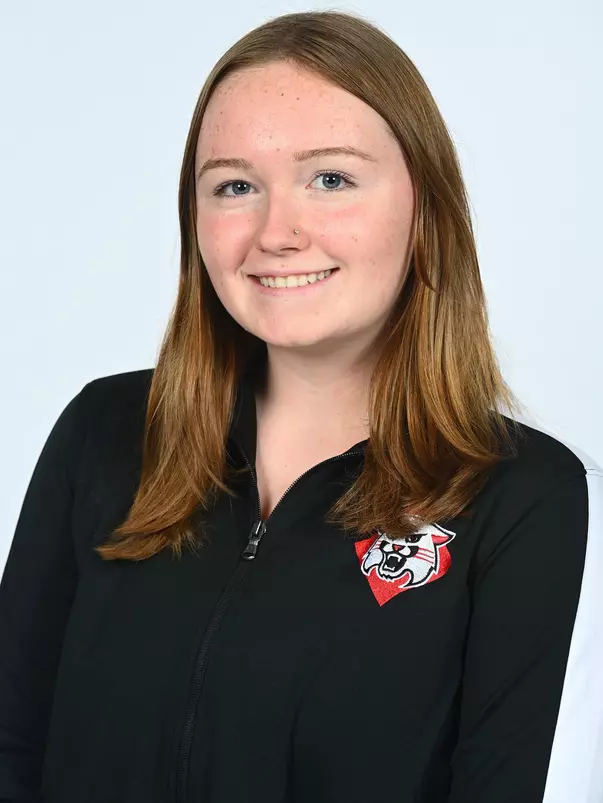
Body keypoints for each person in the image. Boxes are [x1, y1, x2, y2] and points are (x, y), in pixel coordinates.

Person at [1, 9, 602, 803]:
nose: (275, 231)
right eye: (235, 185)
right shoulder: (104, 432)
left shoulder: (520, 495)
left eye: (331, 178)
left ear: (424, 207)